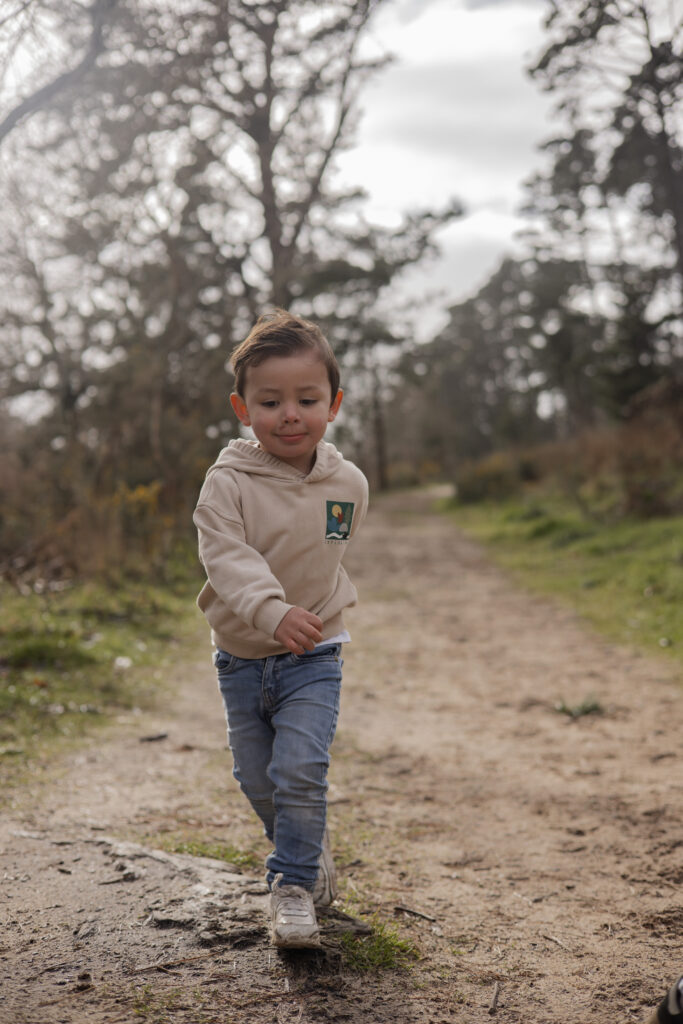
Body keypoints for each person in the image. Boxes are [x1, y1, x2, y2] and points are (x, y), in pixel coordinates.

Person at [193, 309, 369, 950]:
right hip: (242, 655)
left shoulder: (348, 483)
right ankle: (306, 844)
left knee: (300, 771)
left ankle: (292, 886)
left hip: (315, 653)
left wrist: (314, 614)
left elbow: (330, 551)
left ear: (334, 404)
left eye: (306, 399)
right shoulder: (226, 485)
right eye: (271, 401)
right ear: (243, 408)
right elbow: (228, 562)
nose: (289, 414)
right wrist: (271, 611)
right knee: (256, 776)